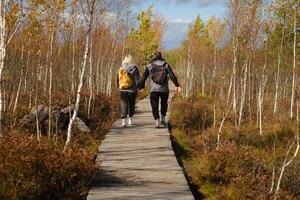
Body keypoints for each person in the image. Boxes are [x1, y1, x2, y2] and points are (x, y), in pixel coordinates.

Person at [140, 51, 182, 128]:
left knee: (154, 105)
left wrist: (141, 87)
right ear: (161, 56)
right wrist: (177, 85)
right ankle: (163, 118)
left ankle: (156, 120)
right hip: (164, 89)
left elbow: (143, 77)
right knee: (164, 103)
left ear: (154, 57)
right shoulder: (166, 65)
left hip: (153, 89)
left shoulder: (150, 66)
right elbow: (172, 75)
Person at [117, 55, 140, 127]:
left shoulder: (120, 68)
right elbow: (137, 79)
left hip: (122, 90)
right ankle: (130, 121)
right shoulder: (134, 68)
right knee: (131, 104)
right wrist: (138, 87)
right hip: (132, 90)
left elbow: (118, 79)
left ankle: (123, 121)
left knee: (123, 104)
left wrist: (118, 87)